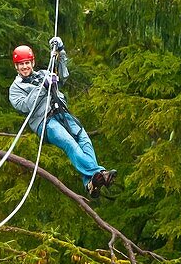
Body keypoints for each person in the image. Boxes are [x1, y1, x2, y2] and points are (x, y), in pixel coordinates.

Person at [9, 40, 117, 197]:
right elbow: (26, 106)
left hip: (61, 113)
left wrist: (61, 52)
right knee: (69, 142)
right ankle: (99, 173)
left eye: (27, 63)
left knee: (84, 139)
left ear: (33, 62)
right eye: (21, 64)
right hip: (45, 123)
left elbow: (63, 75)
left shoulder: (44, 74)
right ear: (16, 66)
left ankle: (90, 183)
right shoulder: (15, 89)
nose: (25, 67)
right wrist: (43, 87)